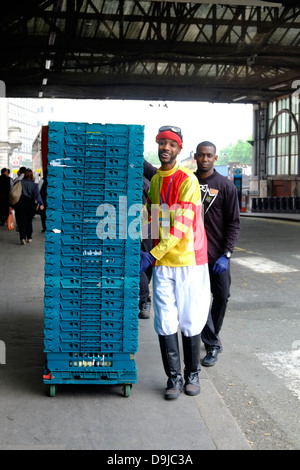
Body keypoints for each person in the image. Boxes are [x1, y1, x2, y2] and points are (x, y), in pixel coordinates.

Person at [140, 126, 210, 400]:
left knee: (190, 319)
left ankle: (192, 375)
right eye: (162, 143)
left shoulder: (188, 180)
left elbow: (181, 225)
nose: (165, 148)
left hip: (189, 260)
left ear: (179, 149)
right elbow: (153, 215)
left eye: (171, 144)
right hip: (163, 263)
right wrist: (131, 234)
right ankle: (174, 378)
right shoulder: (156, 179)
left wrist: (153, 254)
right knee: (165, 320)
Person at [194, 141, 240, 366]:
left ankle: (212, 335)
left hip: (217, 257)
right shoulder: (188, 183)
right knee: (200, 301)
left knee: (222, 297)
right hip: (193, 257)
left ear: (216, 158)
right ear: (195, 156)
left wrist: (227, 254)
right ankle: (212, 343)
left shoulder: (226, 186)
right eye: (201, 155)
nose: (205, 159)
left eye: (209, 156)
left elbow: (234, 223)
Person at [14, 168, 44, 245]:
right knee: (28, 221)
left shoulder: (19, 182)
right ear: (31, 175)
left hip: (20, 203)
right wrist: (41, 203)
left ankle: (22, 238)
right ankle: (29, 237)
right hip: (30, 204)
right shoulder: (34, 185)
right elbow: (37, 196)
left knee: (22, 221)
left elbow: (14, 191)